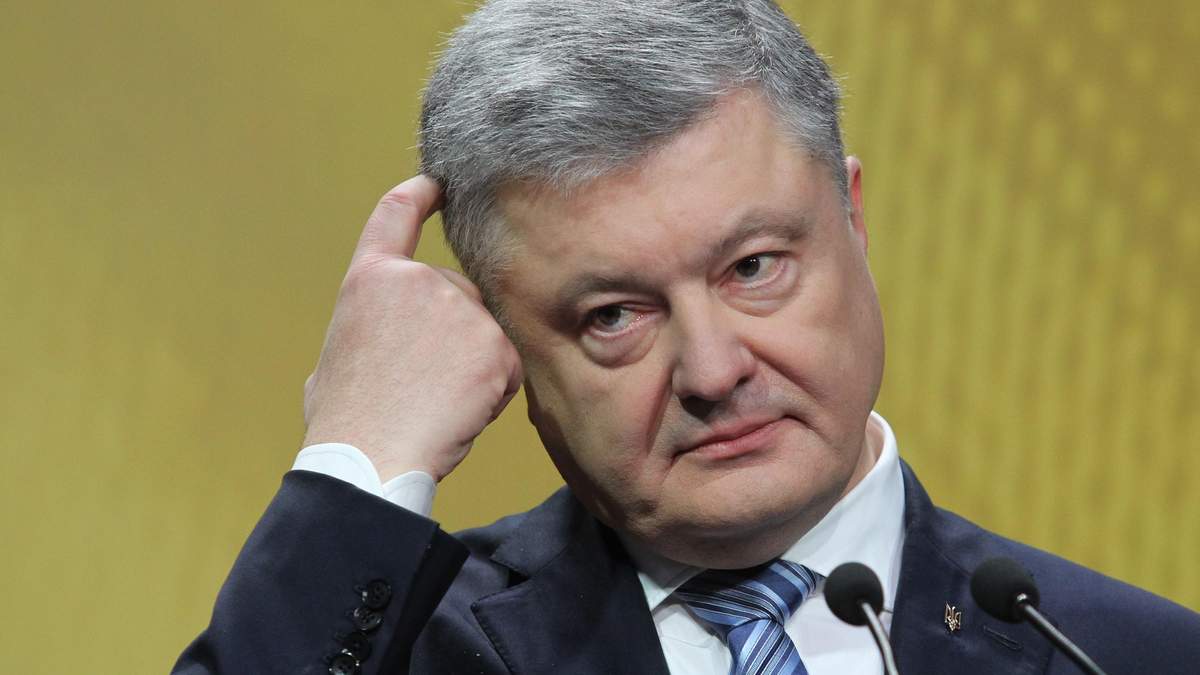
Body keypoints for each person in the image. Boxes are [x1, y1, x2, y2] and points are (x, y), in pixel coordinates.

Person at [174, 1, 1200, 673]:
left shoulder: (1121, 655)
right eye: (613, 315)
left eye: (753, 267)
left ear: (852, 218)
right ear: (499, 340)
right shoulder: (397, 649)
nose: (713, 371)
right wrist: (357, 465)